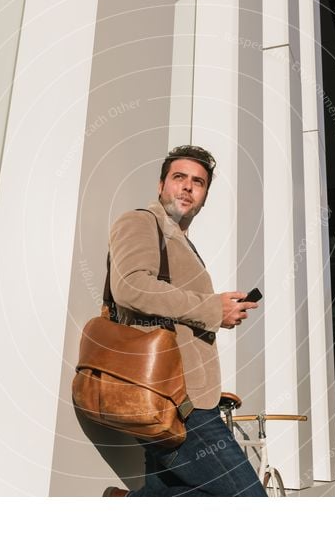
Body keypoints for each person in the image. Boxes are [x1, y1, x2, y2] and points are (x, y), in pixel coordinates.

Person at [103, 145, 266, 497]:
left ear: (205, 196)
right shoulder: (140, 221)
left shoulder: (181, 241)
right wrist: (211, 309)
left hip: (178, 396)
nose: (188, 187)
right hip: (177, 398)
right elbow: (130, 286)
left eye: (199, 182)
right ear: (162, 184)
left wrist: (218, 314)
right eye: (179, 178)